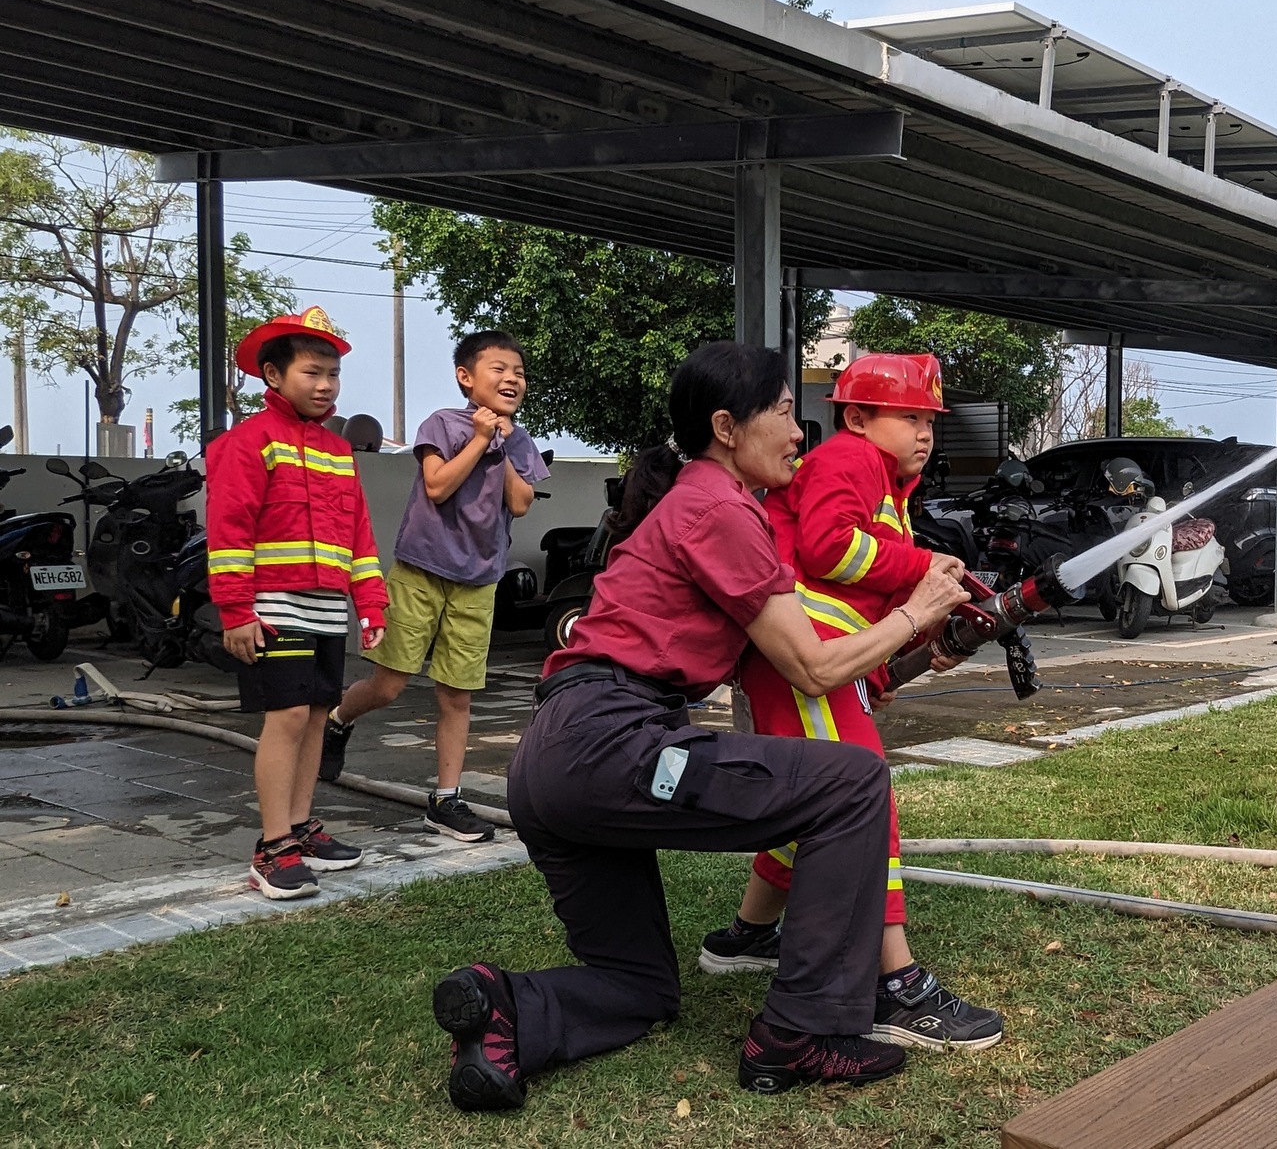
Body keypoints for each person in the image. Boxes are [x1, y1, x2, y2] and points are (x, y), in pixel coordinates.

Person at [430, 342, 969, 1113]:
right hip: (615, 746)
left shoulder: (700, 504)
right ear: (726, 427)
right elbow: (813, 668)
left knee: (639, 987)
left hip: (554, 763)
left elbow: (810, 654)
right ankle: (802, 1030)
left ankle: (503, 1009)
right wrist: (919, 610)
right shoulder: (721, 509)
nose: (798, 433)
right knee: (852, 783)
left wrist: (909, 650)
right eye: (784, 412)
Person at [699, 352, 1005, 1051]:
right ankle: (895, 984)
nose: (925, 432)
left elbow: (865, 583)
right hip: (810, 655)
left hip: (822, 657)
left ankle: (745, 936)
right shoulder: (853, 458)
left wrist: (925, 637)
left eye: (930, 421)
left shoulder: (887, 481)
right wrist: (925, 568)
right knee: (864, 802)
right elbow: (831, 549)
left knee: (813, 803)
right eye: (910, 417)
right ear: (858, 418)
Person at [320, 330, 547, 841]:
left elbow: (519, 503)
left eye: (519, 372)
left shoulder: (519, 439)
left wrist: (503, 444)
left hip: (478, 581)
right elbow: (439, 485)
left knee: (457, 695)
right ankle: (337, 719)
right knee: (390, 685)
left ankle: (445, 800)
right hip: (421, 569)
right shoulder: (442, 423)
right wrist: (481, 439)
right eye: (499, 369)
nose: (512, 379)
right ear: (466, 377)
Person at [204, 307, 388, 900]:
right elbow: (229, 531)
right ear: (273, 376)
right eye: (312, 373)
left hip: (327, 608)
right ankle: (273, 845)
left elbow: (359, 535)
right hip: (273, 606)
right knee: (285, 717)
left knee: (315, 716)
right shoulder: (247, 442)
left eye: (333, 374)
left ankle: (302, 827)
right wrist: (236, 611)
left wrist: (372, 605)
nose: (326, 385)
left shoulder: (338, 450)